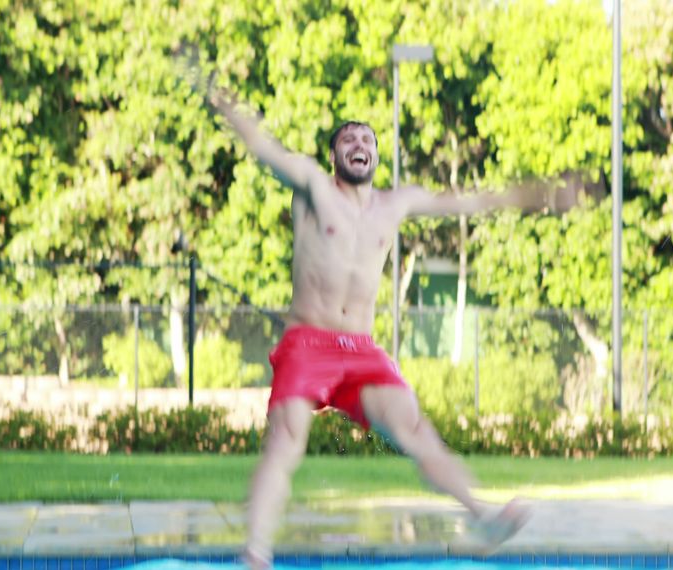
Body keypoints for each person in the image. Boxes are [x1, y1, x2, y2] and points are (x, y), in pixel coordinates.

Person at [182, 60, 583, 570]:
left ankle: (482, 513)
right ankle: (256, 554)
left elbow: (474, 202)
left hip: (361, 350)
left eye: (366, 139)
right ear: (335, 155)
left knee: (415, 429)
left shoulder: (396, 204)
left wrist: (545, 196)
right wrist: (216, 94)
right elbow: (262, 145)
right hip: (309, 340)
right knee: (286, 439)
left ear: (376, 154)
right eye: (348, 139)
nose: (358, 144)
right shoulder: (313, 187)